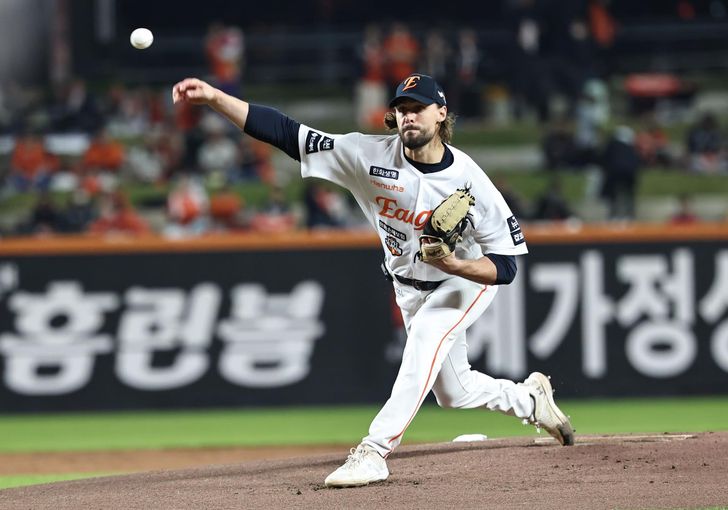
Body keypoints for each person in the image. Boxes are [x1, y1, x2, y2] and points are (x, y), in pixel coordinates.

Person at [172, 72, 575, 488]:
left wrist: (455, 265)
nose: (408, 117)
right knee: (454, 392)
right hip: (408, 286)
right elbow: (287, 133)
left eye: (417, 108)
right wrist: (216, 97)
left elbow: (505, 267)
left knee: (426, 338)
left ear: (441, 114)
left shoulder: (472, 182)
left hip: (465, 281)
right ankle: (529, 400)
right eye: (401, 109)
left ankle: (374, 451)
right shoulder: (367, 155)